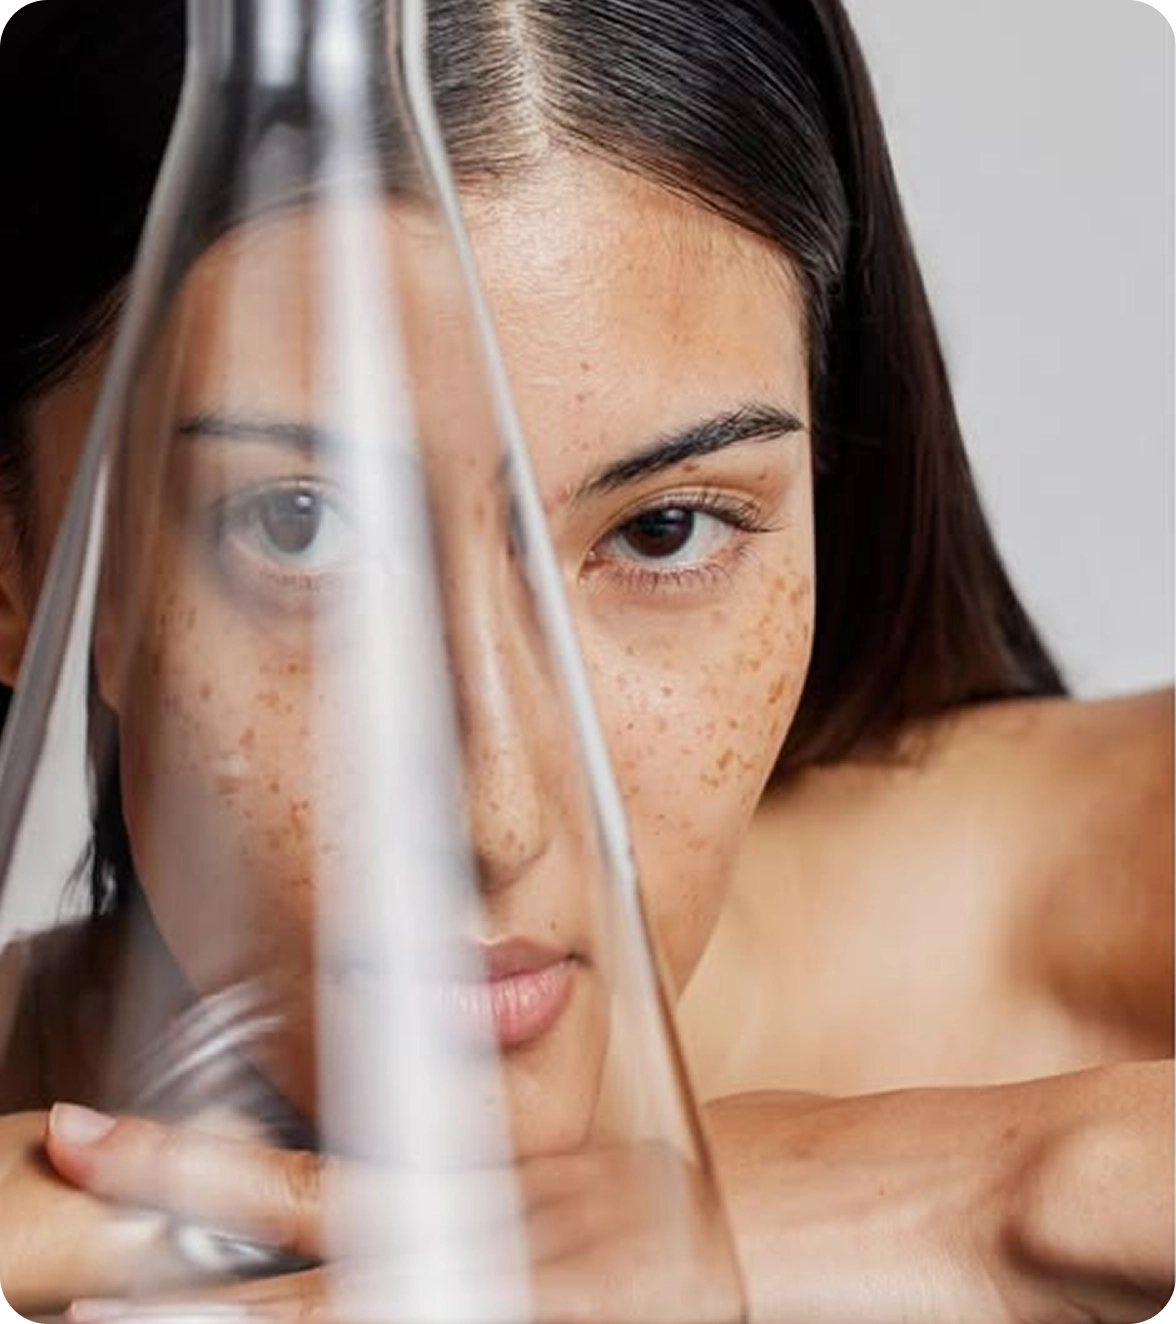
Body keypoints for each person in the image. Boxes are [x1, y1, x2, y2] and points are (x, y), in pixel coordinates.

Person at [0, 0, 1170, 1320]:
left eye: (665, 529)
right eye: (298, 525)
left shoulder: (1120, 945)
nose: (492, 814)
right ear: (17, 564)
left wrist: (996, 1197)